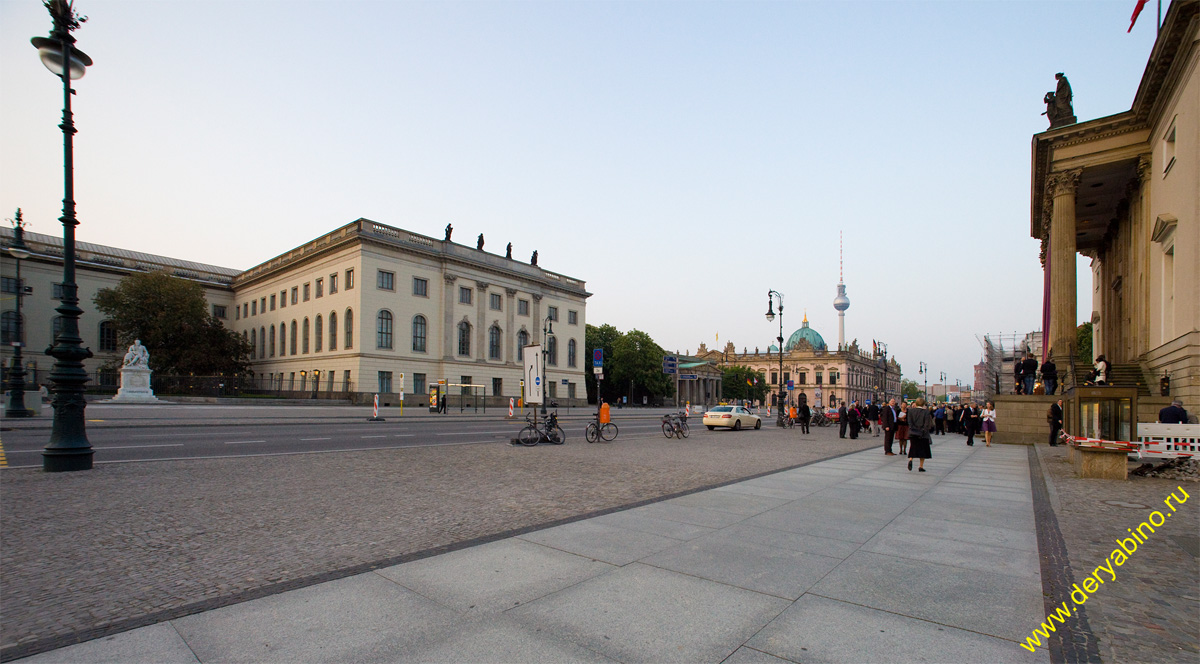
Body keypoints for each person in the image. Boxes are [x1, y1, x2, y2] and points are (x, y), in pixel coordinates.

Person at [906, 397, 934, 472]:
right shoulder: (926, 412)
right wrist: (923, 431)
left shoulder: (910, 411)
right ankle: (921, 466)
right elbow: (926, 424)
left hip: (913, 433)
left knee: (913, 447)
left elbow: (909, 422)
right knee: (923, 450)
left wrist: (912, 429)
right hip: (922, 434)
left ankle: (911, 459)